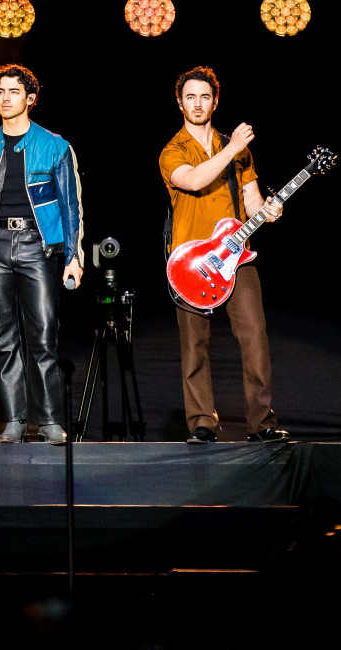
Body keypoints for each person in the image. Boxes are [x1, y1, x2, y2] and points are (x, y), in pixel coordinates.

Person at [159, 65, 288, 444]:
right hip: (189, 261)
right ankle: (202, 423)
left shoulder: (238, 150)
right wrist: (232, 148)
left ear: (215, 101)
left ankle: (261, 422)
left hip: (236, 256)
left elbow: (252, 202)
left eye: (205, 96)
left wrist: (270, 210)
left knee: (255, 335)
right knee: (194, 345)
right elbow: (194, 180)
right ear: (180, 103)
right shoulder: (172, 151)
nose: (198, 103)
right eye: (190, 97)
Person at [0, 63, 84, 444]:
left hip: (36, 247)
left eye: (14, 91)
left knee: (43, 335)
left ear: (31, 98)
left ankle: (49, 421)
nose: (6, 98)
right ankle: (14, 419)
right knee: (3, 339)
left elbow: (70, 205)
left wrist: (73, 255)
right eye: (1, 91)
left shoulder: (55, 146)